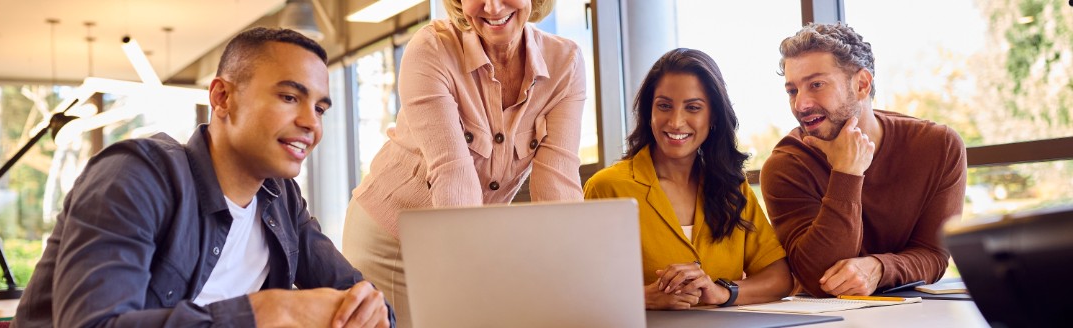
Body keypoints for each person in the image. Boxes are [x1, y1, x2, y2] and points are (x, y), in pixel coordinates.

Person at [12, 27, 394, 328]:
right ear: (222, 97)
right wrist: (267, 312)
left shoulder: (282, 199)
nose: (311, 123)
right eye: (289, 98)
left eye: (321, 108)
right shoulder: (134, 177)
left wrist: (371, 307)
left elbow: (361, 299)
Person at [342, 0, 585, 325]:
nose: (493, 6)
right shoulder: (432, 49)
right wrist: (471, 281)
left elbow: (559, 184)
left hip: (469, 236)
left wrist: (575, 281)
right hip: (391, 241)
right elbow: (453, 175)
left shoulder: (565, 63)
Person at [761, 23, 968, 298]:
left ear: (861, 84)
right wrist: (847, 173)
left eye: (816, 85)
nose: (801, 104)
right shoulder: (786, 166)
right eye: (792, 90)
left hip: (913, 313)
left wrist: (880, 268)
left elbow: (934, 255)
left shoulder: (938, 146)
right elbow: (818, 278)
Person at [584, 48, 792, 310]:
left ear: (713, 116)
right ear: (649, 112)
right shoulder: (607, 188)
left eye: (693, 107)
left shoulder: (732, 188)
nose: (676, 121)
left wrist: (721, 292)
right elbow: (581, 290)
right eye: (664, 106)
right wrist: (644, 298)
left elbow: (779, 278)